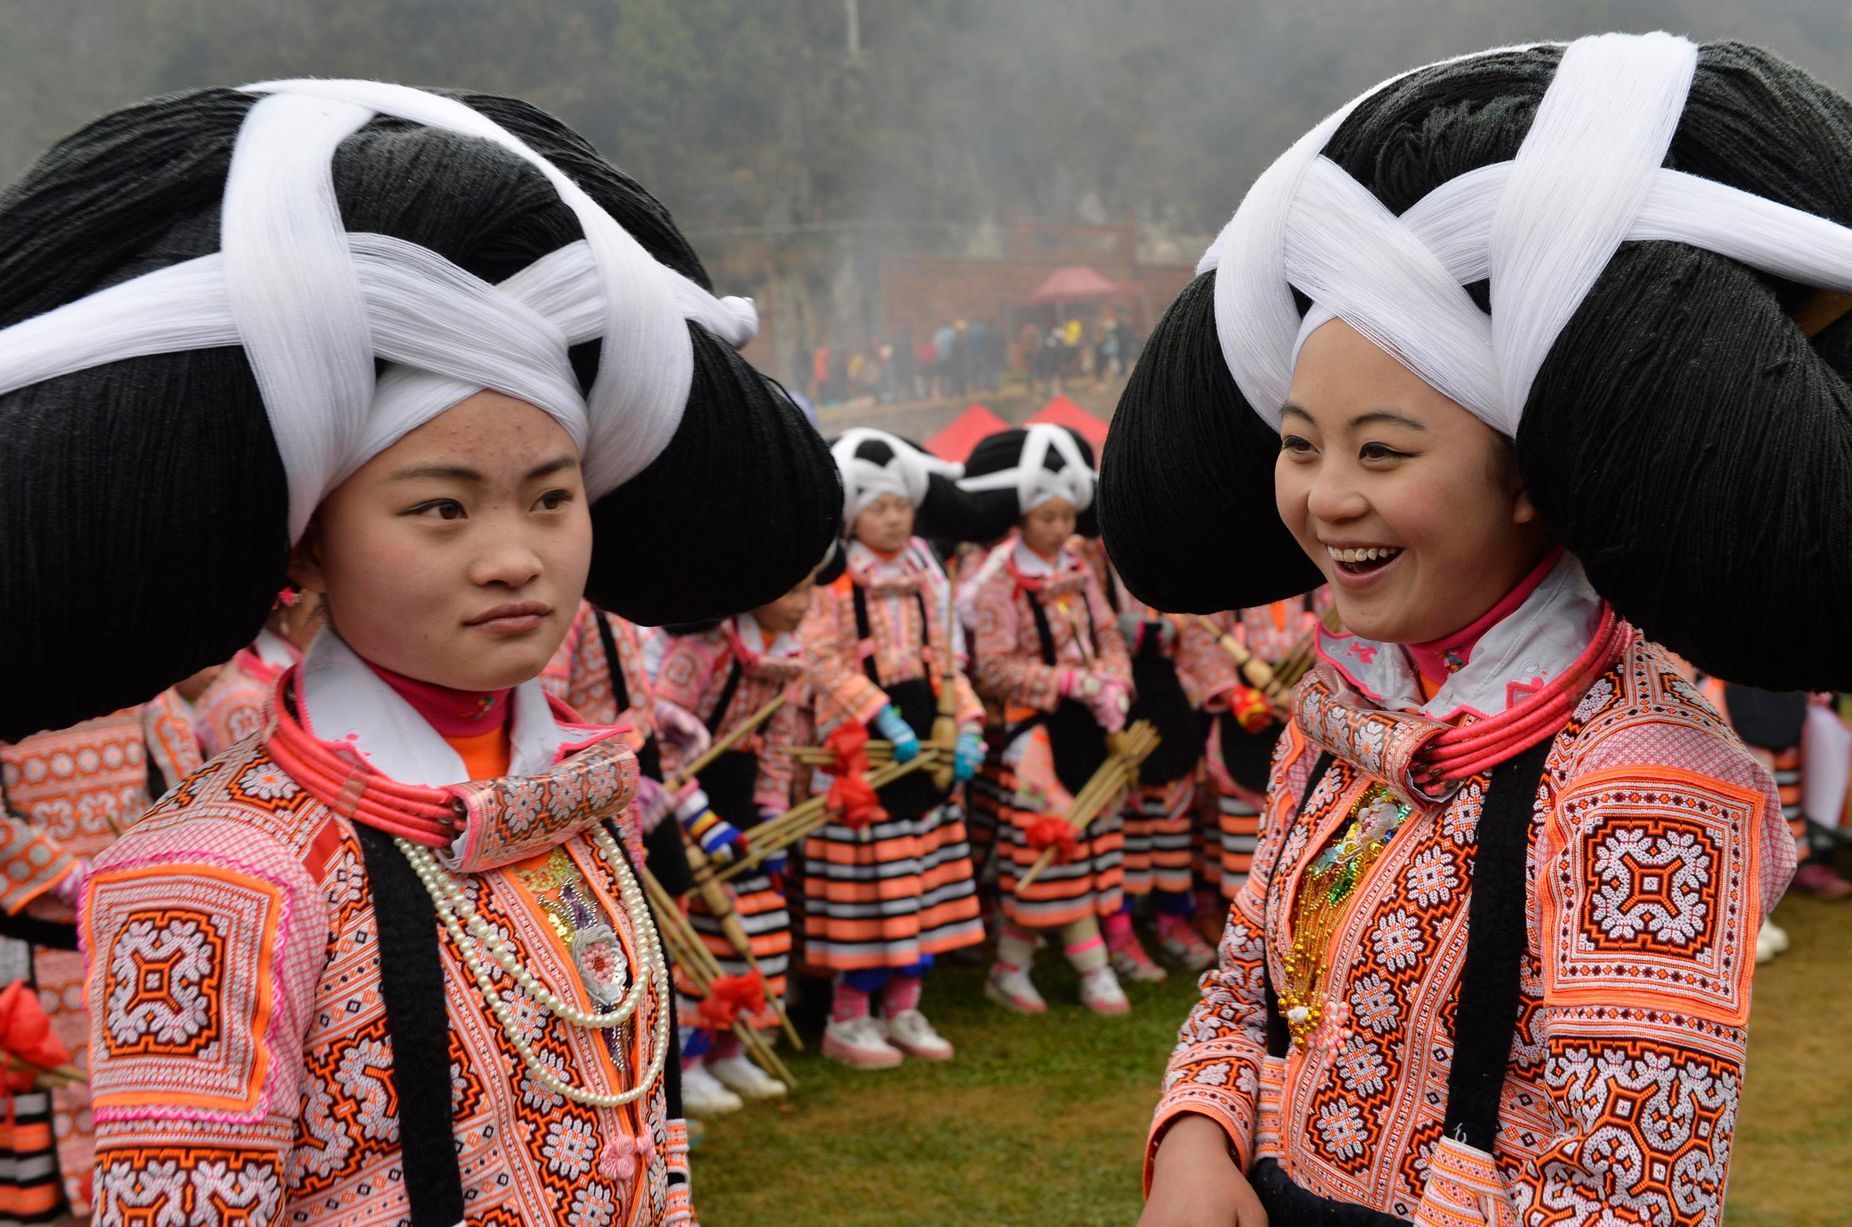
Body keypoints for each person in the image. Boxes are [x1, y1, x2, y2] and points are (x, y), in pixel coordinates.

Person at [0, 79, 839, 1225]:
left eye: (550, 499)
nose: (514, 558)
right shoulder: (217, 879)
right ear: (307, 544)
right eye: (443, 509)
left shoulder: (577, 802)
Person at [1102, 35, 1830, 1224]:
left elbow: (1623, 1201)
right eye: (1300, 443)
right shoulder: (1342, 715)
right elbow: (1244, 992)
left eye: (1381, 451)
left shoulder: (1645, 785)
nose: (1326, 497)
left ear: (1527, 476)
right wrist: (1196, 1137)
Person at [800, 429, 988, 1068]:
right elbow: (820, 660)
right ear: (854, 513)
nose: (893, 518)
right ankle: (848, 1018)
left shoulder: (926, 574)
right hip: (867, 752)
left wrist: (966, 724)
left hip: (926, 746)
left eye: (900, 506)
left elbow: (949, 657)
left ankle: (906, 1006)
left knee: (921, 882)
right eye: (879, 508)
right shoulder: (836, 579)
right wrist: (881, 717)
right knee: (871, 887)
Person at [963, 425, 1136, 1016]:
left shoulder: (1079, 566)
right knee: (1052, 847)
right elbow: (991, 669)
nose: (1060, 528)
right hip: (1030, 733)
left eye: (1067, 516)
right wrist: (1067, 681)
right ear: (1022, 515)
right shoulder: (995, 580)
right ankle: (1093, 971)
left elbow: (1107, 631)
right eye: (1047, 517)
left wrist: (1115, 682)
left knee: (1090, 844)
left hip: (1092, 726)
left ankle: (1011, 969)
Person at [654, 575, 817, 1111]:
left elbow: (779, 745)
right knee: (709, 934)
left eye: (810, 591)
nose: (802, 605)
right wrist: (701, 823)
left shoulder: (788, 659)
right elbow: (661, 739)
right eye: (792, 591)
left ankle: (731, 1048)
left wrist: (772, 816)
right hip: (686, 813)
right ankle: (690, 1058)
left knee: (765, 927)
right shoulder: (701, 649)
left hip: (743, 810)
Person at [192, 588, 325, 758]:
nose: (324, 621)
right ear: (287, 610)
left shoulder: (277, 677)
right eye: (319, 607)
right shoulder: (243, 700)